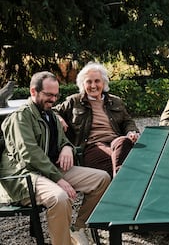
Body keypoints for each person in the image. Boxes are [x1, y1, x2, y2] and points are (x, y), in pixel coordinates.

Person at [0, 71, 111, 245]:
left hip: (49, 170)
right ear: (33, 91)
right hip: (24, 176)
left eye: (56, 95)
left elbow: (63, 141)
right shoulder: (20, 117)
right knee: (60, 198)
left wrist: (67, 148)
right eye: (48, 95)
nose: (53, 100)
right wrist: (58, 178)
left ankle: (78, 229)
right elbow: (29, 153)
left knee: (102, 179)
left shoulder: (50, 115)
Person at [54, 62, 139, 178]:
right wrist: (58, 117)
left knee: (123, 142)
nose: (93, 86)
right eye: (89, 81)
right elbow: (52, 110)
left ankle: (119, 179)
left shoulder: (115, 101)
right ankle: (121, 178)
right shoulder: (74, 101)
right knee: (126, 163)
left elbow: (127, 121)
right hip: (92, 146)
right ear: (83, 84)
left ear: (103, 83)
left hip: (116, 143)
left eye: (97, 81)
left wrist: (131, 132)